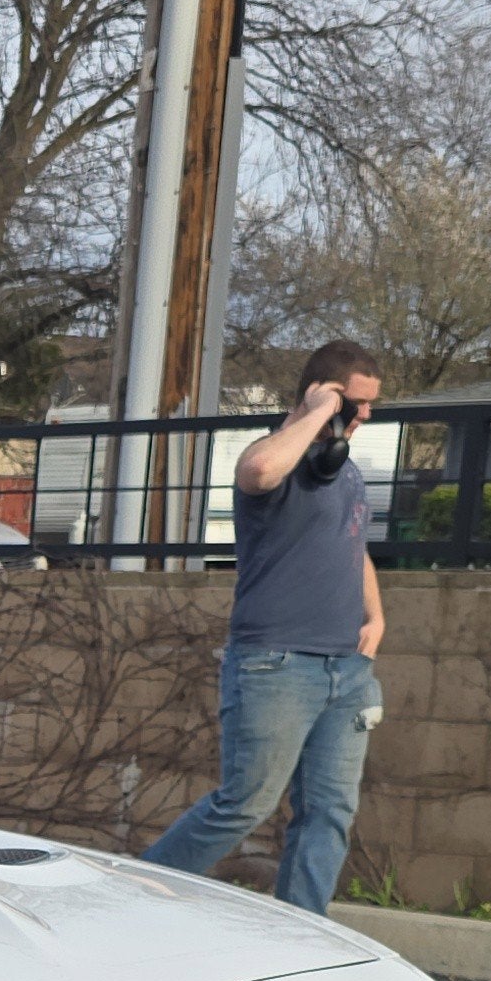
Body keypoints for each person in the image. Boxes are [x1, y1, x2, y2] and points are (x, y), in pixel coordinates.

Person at [146, 338, 388, 912]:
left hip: (346, 671)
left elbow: (353, 545)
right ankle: (129, 894)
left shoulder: (345, 472)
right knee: (245, 804)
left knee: (328, 812)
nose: (367, 415)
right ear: (321, 393)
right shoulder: (275, 455)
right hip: (277, 664)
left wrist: (376, 614)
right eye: (356, 402)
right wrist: (317, 414)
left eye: (371, 404)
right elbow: (257, 471)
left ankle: (305, 932)